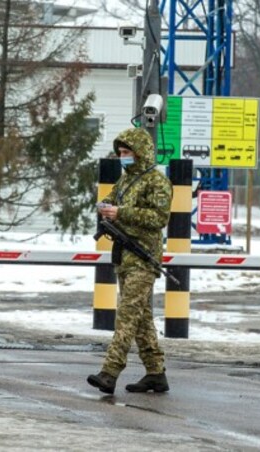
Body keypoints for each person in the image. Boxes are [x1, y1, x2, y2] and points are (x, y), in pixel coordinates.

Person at [87, 127, 173, 394]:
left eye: (127, 152)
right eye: (121, 153)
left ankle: (110, 372)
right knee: (141, 318)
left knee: (126, 316)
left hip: (143, 258)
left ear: (140, 153)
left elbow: (159, 218)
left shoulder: (157, 182)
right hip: (124, 256)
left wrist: (122, 212)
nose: (123, 157)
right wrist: (106, 207)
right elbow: (111, 200)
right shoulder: (125, 181)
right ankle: (156, 373)